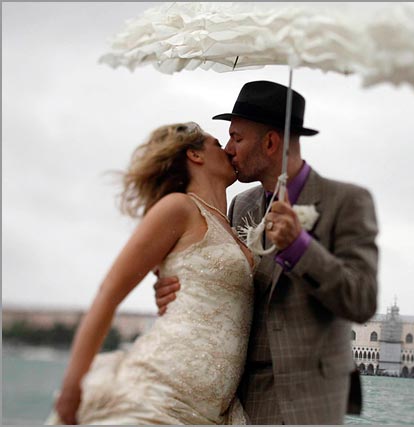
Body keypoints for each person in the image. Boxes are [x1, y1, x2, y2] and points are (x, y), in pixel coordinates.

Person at [154, 81, 379, 424]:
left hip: (312, 399)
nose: (228, 149)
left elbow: (362, 300)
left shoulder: (348, 202)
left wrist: (301, 248)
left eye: (237, 138)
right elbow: (228, 286)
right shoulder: (241, 205)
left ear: (271, 142)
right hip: (245, 397)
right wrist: (180, 288)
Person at [48, 122, 255, 424]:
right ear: (194, 156)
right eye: (215, 143)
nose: (227, 148)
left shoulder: (234, 227)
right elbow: (109, 292)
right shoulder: (178, 207)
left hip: (211, 412)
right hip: (158, 391)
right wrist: (72, 387)